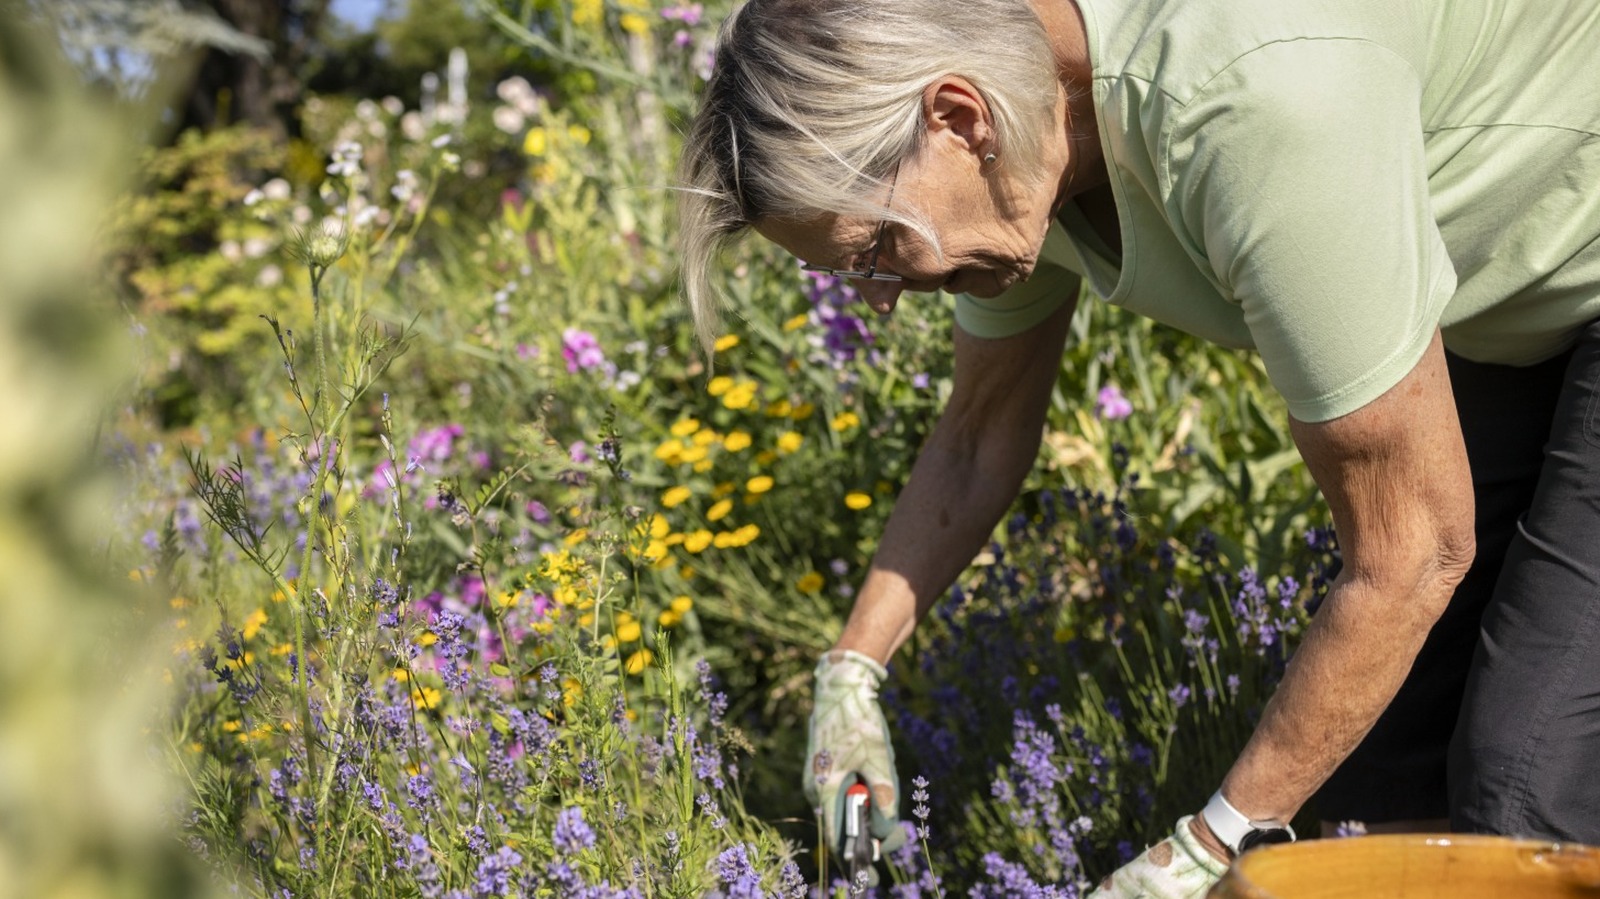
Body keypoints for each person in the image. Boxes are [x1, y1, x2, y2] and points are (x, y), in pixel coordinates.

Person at [676, 0, 1600, 893]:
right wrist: (852, 669)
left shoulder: (1253, 108)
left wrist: (1211, 845)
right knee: (1371, 784)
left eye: (877, 248)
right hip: (1504, 305)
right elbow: (978, 435)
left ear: (958, 118)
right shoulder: (1019, 130)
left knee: (1526, 786)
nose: (878, 300)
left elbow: (1415, 551)